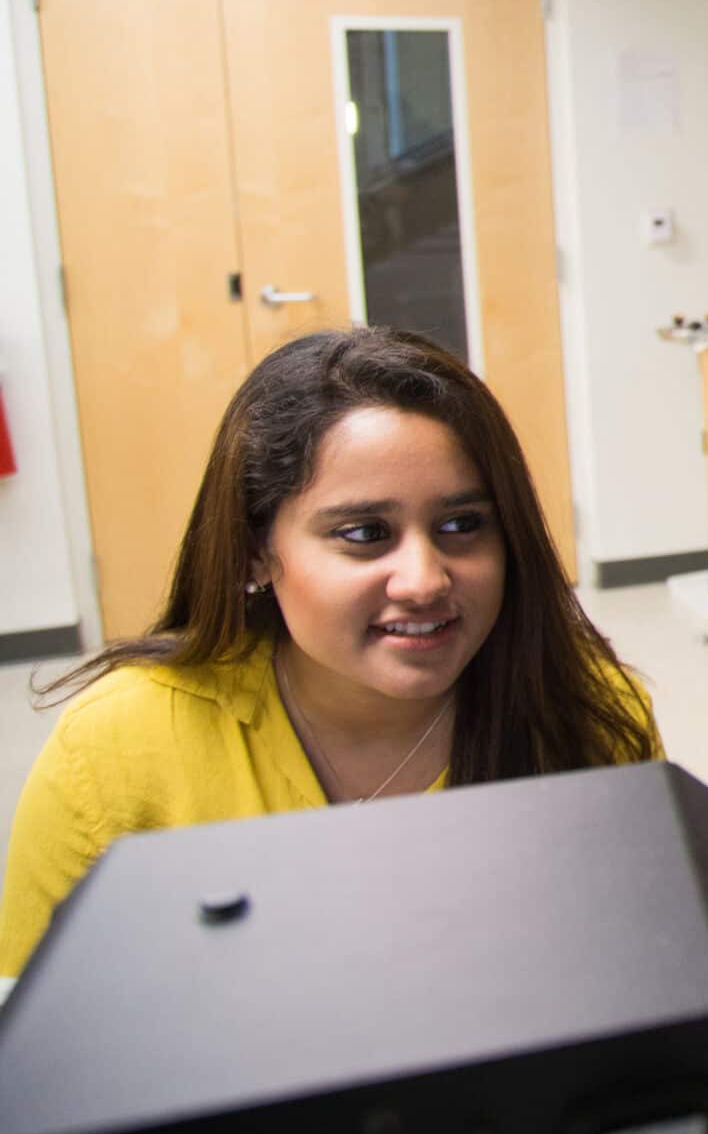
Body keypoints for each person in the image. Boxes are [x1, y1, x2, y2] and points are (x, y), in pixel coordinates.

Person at [0, 327, 663, 976]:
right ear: (256, 548)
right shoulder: (115, 749)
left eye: (462, 525)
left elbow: (654, 983)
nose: (425, 579)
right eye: (365, 533)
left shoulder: (588, 713)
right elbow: (37, 1053)